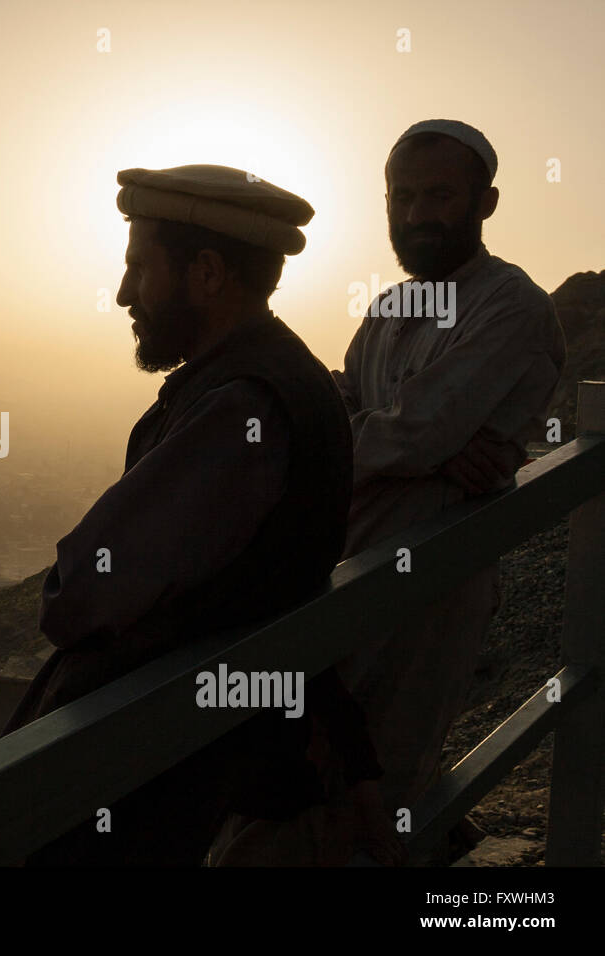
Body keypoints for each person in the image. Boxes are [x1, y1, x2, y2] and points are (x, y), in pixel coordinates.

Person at [1, 164, 393, 865]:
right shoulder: (275, 374)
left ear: (207, 273)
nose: (124, 293)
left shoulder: (241, 406)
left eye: (139, 267)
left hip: (164, 768)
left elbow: (79, 598)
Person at [212, 120, 567, 865]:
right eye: (401, 196)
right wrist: (417, 446)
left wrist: (414, 447)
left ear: (486, 201)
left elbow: (414, 431)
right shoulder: (389, 310)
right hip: (345, 563)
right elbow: (372, 421)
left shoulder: (512, 306)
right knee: (297, 764)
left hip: (432, 579)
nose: (416, 215)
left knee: (383, 778)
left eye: (438, 195)